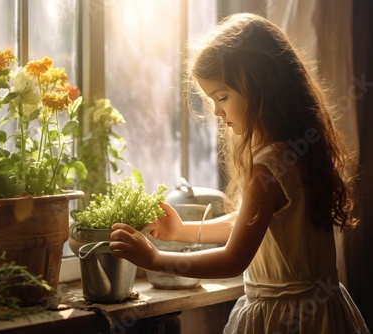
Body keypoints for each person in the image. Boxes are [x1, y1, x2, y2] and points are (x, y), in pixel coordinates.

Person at [109, 12, 370, 334]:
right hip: (324, 312)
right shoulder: (297, 150)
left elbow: (234, 259)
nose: (217, 111)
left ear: (261, 86)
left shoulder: (271, 165)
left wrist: (155, 259)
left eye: (222, 96)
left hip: (281, 317)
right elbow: (254, 223)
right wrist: (183, 231)